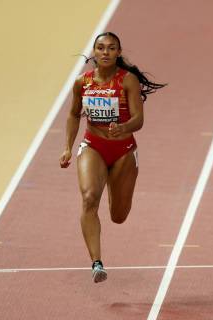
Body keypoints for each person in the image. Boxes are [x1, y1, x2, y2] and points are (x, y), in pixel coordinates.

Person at [59, 32, 165, 283]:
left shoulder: (127, 81)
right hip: (93, 146)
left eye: (111, 48)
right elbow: (74, 115)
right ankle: (96, 263)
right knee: (88, 198)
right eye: (100, 48)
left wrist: (125, 127)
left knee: (118, 216)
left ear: (118, 52)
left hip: (123, 151)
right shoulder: (81, 82)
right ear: (94, 52)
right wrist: (67, 147)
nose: (105, 52)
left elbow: (139, 119)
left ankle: (113, 185)